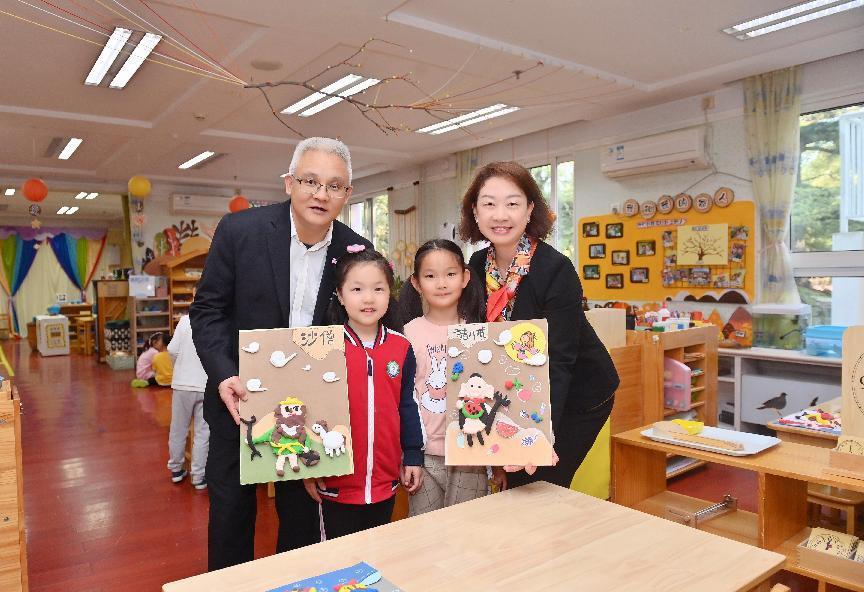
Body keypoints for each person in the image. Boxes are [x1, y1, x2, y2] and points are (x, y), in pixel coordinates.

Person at [190, 137, 373, 571]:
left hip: (313, 411)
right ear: (289, 182)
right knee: (232, 516)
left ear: (347, 194)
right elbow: (207, 310)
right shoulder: (240, 231)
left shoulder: (357, 251)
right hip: (239, 401)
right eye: (310, 181)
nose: (321, 194)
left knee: (303, 521)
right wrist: (224, 375)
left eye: (334, 186)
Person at [459, 161, 620, 489]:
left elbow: (559, 361)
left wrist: (539, 436)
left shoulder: (555, 269)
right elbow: (481, 342)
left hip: (577, 394)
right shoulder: (476, 265)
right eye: (489, 204)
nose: (500, 215)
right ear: (475, 211)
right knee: (511, 478)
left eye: (512, 204)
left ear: (530, 209)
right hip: (519, 387)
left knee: (539, 484)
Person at [303, 247, 424, 539]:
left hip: (385, 481)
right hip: (335, 483)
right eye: (357, 289)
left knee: (378, 554)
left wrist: (412, 455)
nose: (368, 298)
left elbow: (408, 405)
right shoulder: (322, 347)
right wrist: (306, 467)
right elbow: (307, 408)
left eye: (378, 289)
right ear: (340, 295)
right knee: (339, 559)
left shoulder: (401, 347)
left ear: (390, 294)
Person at [398, 239, 507, 515]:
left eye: (450, 274)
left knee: (468, 529)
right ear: (416, 283)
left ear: (465, 278)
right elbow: (402, 399)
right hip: (425, 456)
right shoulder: (407, 334)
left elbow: (492, 398)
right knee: (424, 529)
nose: (442, 283)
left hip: (471, 452)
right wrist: (407, 455)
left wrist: (499, 461)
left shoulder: (480, 333)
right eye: (430, 276)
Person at [166, 284, 209, 490]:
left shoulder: (185, 321)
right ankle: (198, 477)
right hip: (206, 385)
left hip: (182, 384)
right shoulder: (217, 321)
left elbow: (172, 349)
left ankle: (176, 469)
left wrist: (179, 368)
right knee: (203, 432)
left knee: (178, 428)